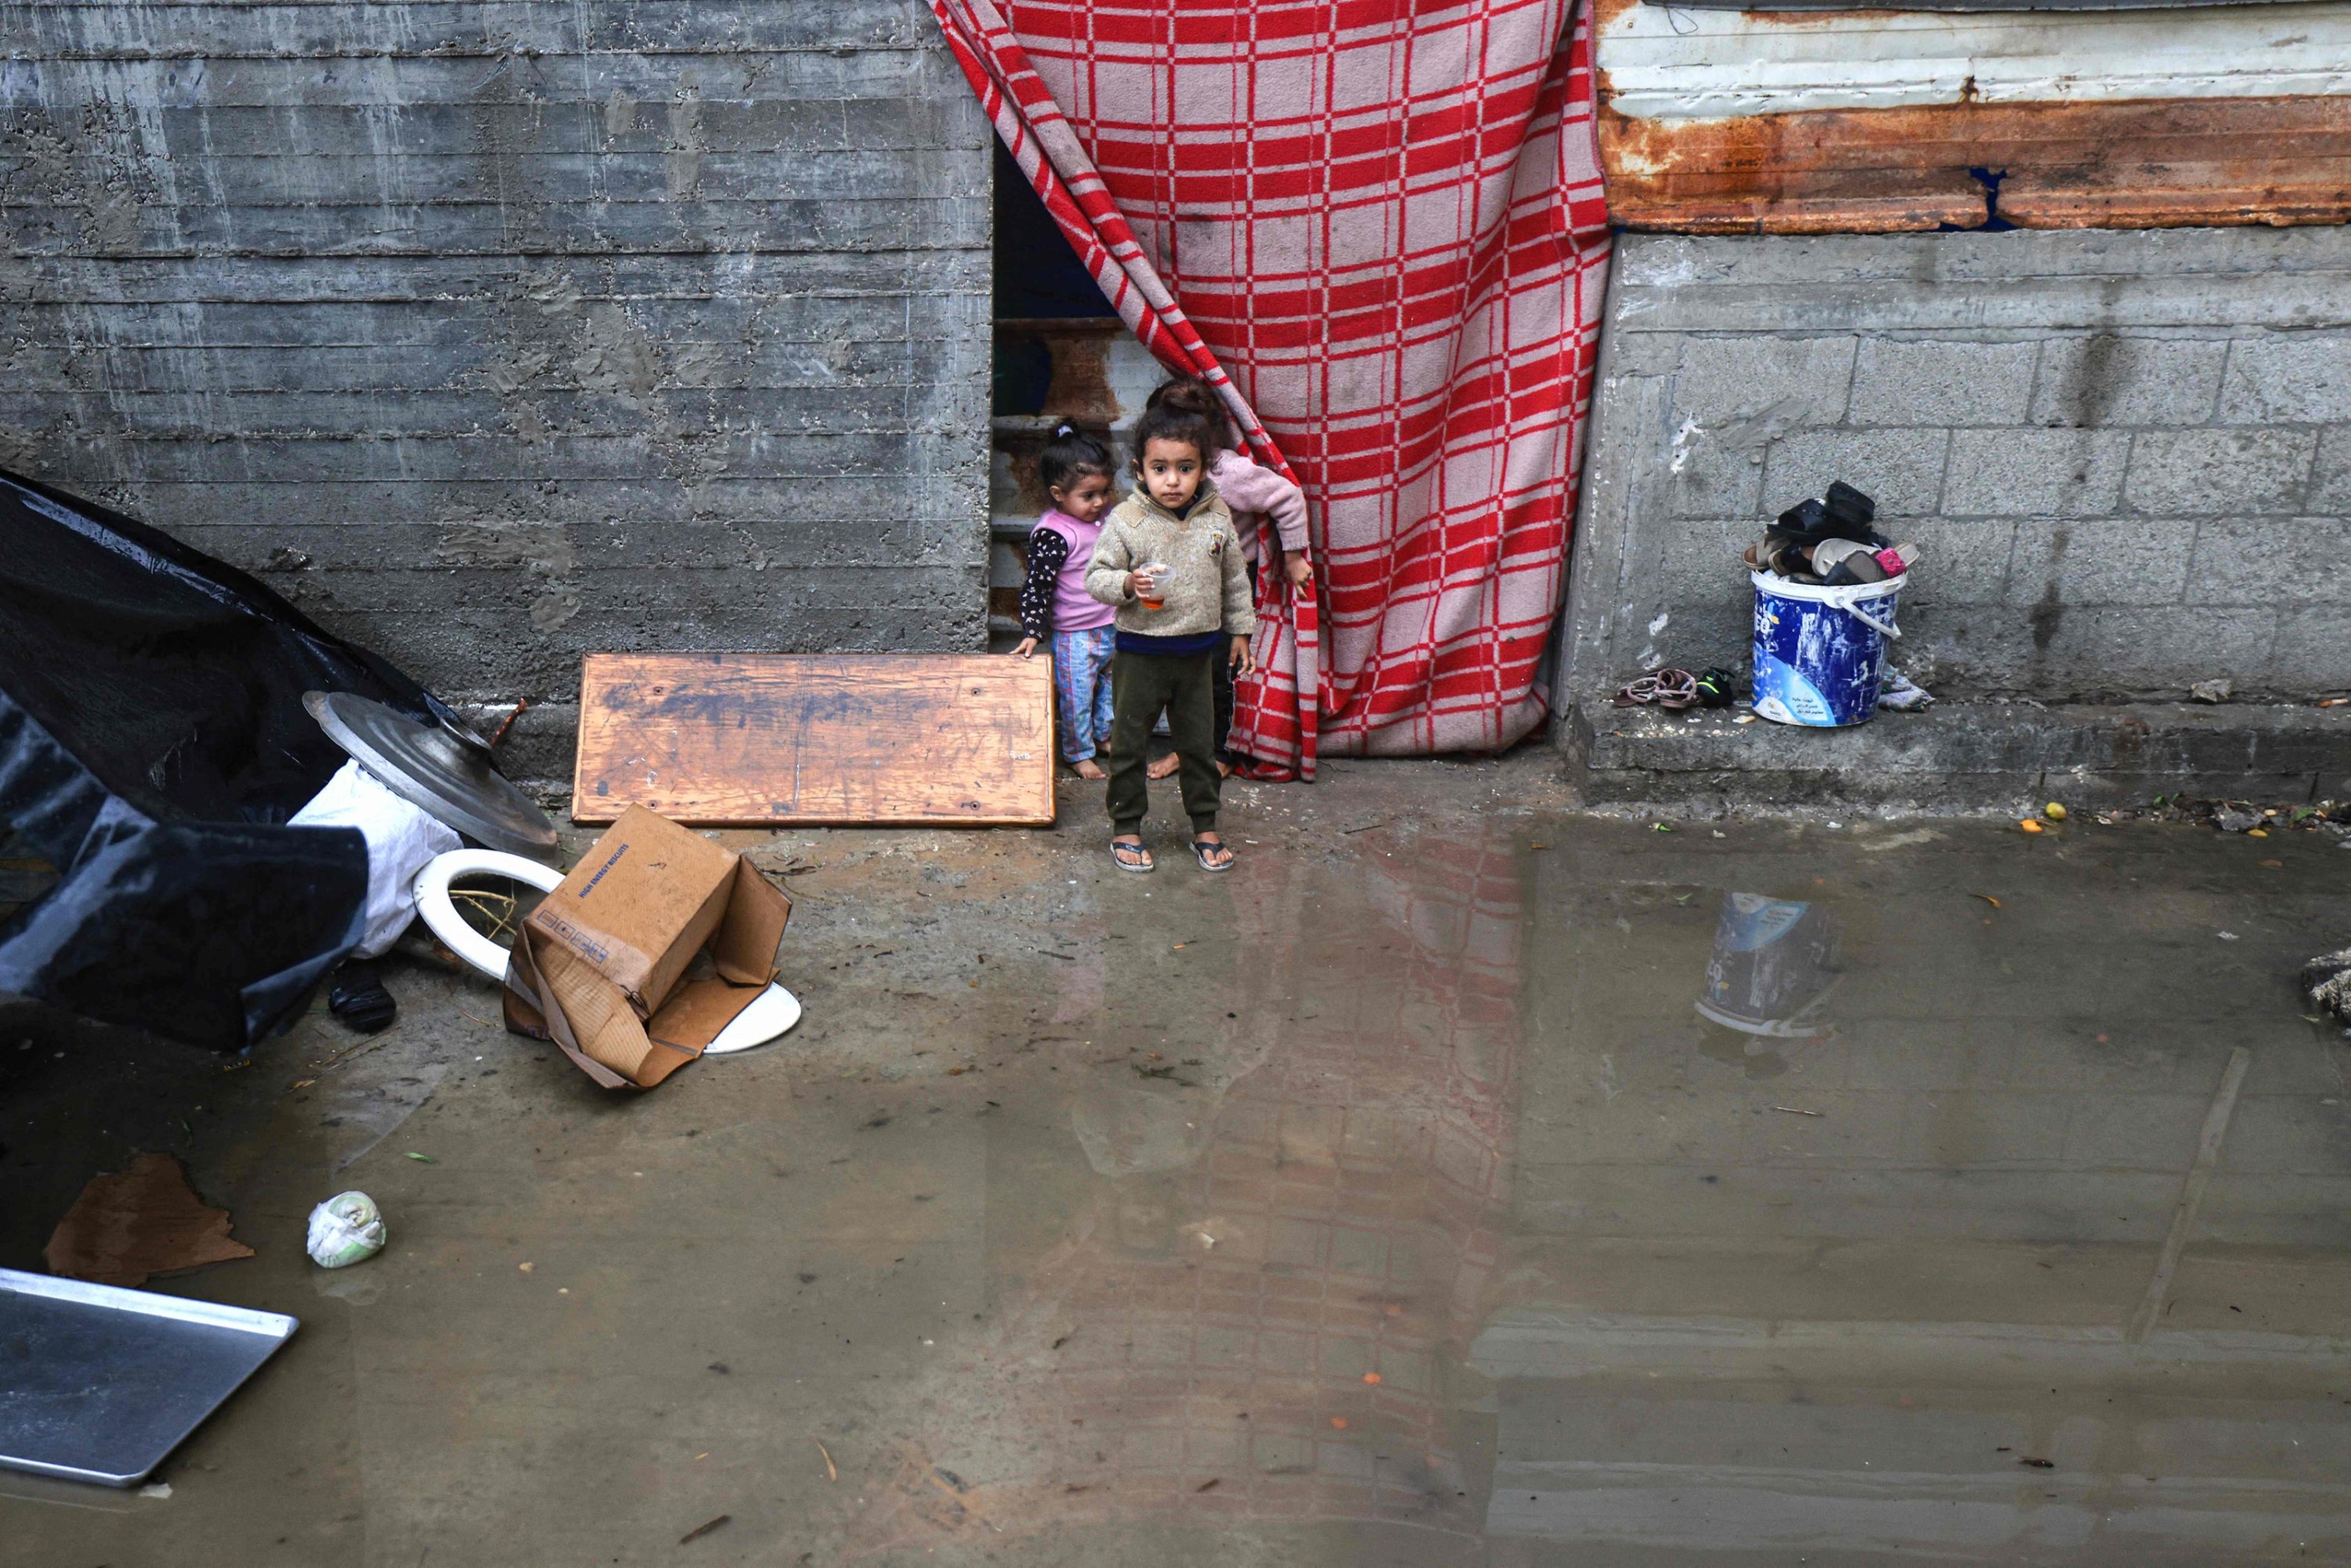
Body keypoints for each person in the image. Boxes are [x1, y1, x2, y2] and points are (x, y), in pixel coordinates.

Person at [1085, 395, 1256, 873]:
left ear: (1203, 470)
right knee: (1130, 743)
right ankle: (1126, 828)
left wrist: (1241, 630)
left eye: (1186, 468)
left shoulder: (1217, 516)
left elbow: (1235, 578)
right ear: (1140, 470)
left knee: (1198, 746)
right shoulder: (1127, 521)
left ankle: (1204, 825)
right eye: (1160, 468)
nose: (1173, 480)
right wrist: (1126, 583)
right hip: (1140, 654)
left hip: (1198, 655)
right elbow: (1095, 576)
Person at [1136, 379, 1310, 779]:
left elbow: (1287, 497)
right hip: (1178, 585)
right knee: (1175, 670)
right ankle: (1185, 748)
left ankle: (1219, 753)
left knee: (1216, 673)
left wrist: (1295, 555)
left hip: (1223, 586)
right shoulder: (1161, 471)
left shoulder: (1227, 472)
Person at [1011, 425, 1119, 779]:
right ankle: (1078, 752)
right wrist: (1032, 630)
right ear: (1059, 493)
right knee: (1076, 697)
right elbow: (1037, 586)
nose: (1099, 502)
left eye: (1104, 492)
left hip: (1109, 625)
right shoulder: (1055, 533)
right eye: (1089, 495)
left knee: (1107, 689)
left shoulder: (1101, 521)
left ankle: (1104, 736)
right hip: (1075, 635)